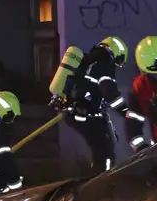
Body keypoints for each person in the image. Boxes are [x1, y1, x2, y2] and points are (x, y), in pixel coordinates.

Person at [48, 36, 130, 173]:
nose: (117, 66)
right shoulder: (104, 65)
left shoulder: (89, 61)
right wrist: (126, 112)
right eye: (119, 61)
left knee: (101, 149)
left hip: (77, 113)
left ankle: (97, 180)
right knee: (105, 151)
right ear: (116, 54)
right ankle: (102, 184)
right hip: (87, 115)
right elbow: (110, 92)